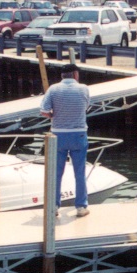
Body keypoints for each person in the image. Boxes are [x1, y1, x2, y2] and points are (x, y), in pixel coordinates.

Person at [39, 65, 91, 217]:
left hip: (58, 136)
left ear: (62, 75)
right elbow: (85, 108)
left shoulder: (53, 89)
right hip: (79, 134)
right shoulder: (84, 89)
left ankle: (54, 206)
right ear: (75, 74)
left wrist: (54, 116)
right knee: (79, 172)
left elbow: (43, 111)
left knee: (56, 172)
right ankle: (81, 207)